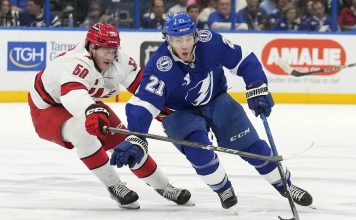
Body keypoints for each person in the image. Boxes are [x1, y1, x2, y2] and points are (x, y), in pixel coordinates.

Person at [109, 12, 313, 210]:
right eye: (177, 40)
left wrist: (257, 86)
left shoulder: (210, 42)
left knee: (252, 146)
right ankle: (223, 188)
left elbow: (244, 60)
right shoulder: (160, 66)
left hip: (216, 99)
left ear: (196, 35)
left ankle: (285, 185)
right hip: (179, 112)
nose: (184, 45)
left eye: (188, 38)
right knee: (199, 152)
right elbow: (143, 104)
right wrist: (136, 137)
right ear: (167, 39)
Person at [28, 23, 192, 209]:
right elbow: (73, 95)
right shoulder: (74, 64)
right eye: (104, 50)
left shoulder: (120, 61)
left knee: (127, 143)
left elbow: (145, 90)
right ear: (91, 47)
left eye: (113, 50)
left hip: (87, 103)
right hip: (47, 108)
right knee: (82, 133)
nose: (109, 56)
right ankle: (114, 186)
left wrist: (168, 112)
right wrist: (91, 111)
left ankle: (164, 186)